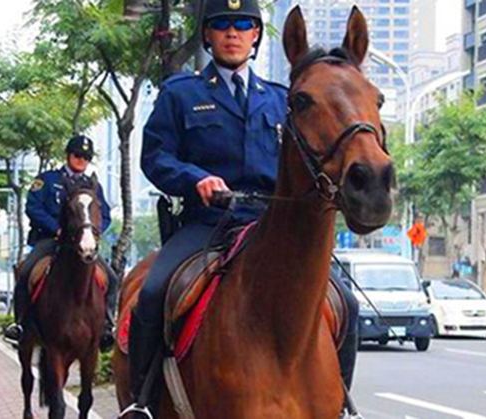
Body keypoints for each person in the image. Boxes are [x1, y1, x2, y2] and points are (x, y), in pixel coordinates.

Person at [131, 0, 359, 410]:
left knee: (347, 303)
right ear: (207, 35)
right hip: (206, 225)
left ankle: (339, 404)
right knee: (154, 292)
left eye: (242, 24)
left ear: (256, 36)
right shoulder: (182, 94)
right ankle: (142, 403)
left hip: (267, 224)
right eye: (222, 25)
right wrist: (194, 179)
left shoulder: (280, 99)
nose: (232, 33)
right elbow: (155, 156)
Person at [4, 135, 117, 350]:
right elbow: (33, 207)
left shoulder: (94, 186)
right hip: (50, 241)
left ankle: (106, 327)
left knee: (111, 278)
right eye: (78, 155)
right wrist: (55, 228)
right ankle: (20, 325)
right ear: (68, 155)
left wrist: (91, 234)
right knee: (27, 271)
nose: (81, 159)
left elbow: (105, 216)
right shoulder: (47, 180)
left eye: (86, 157)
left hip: (81, 244)